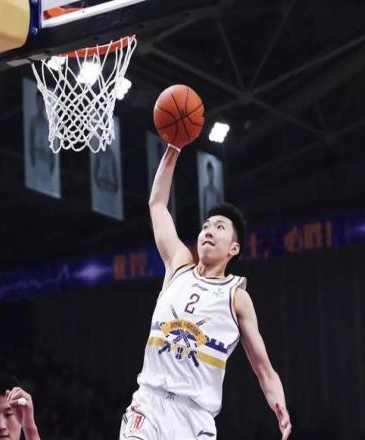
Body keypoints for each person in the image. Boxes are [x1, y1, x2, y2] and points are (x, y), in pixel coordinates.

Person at [119, 144, 291, 439]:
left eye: (220, 227)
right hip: (149, 405)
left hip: (195, 417)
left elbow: (264, 368)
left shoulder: (236, 296)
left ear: (234, 248)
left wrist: (280, 404)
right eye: (206, 226)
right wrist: (173, 148)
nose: (209, 230)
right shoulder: (178, 264)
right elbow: (157, 204)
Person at [28, 91, 56, 193]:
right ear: (36, 102)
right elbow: (30, 142)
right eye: (38, 101)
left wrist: (53, 161)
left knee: (48, 190)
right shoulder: (33, 121)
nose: (40, 104)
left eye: (42, 102)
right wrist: (33, 159)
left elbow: (51, 145)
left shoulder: (48, 124)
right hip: (37, 160)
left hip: (47, 161)